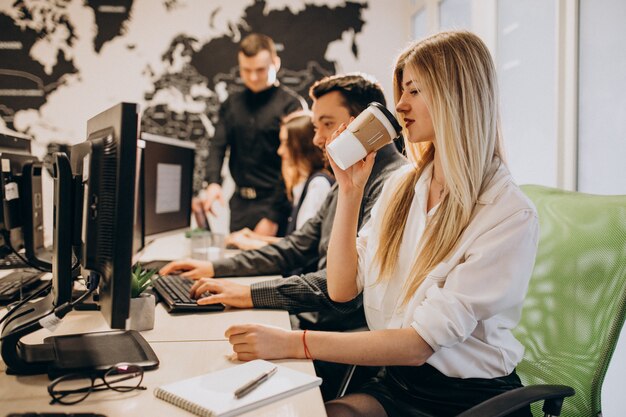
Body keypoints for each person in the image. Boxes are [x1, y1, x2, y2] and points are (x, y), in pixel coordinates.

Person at [210, 31, 539, 417]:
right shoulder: (404, 186)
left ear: (456, 95)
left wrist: (292, 343)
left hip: (472, 398)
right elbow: (342, 287)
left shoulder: (506, 212)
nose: (399, 105)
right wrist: (349, 192)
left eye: (414, 91)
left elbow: (418, 345)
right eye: (402, 91)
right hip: (398, 382)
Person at [161, 73, 407, 400]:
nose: (318, 138)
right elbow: (294, 247)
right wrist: (216, 271)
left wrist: (249, 293)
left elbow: (346, 287)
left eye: (326, 124)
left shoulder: (394, 185)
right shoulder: (345, 182)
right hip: (317, 324)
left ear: (362, 125)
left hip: (338, 340)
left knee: (213, 369)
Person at [202, 33, 306, 234]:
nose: (253, 77)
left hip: (274, 203)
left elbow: (294, 163)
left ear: (275, 63)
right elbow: (217, 146)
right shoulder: (231, 104)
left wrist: (273, 215)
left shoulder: (292, 105)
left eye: (260, 70)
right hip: (239, 204)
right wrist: (213, 183)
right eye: (246, 70)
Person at [227, 110, 333, 250]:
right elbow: (296, 241)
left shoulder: (318, 185)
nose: (280, 151)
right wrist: (254, 237)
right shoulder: (307, 183)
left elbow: (302, 249)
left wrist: (252, 245)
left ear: (301, 146)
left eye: (285, 143)